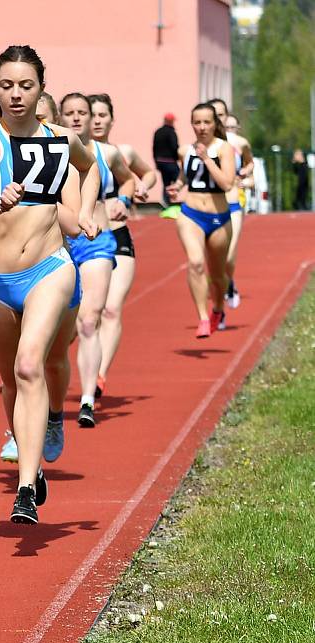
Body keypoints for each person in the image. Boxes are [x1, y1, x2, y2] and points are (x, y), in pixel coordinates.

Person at [0, 45, 99, 523]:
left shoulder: (61, 137)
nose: (16, 95)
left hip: (49, 267)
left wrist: (87, 210)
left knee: (30, 364)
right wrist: (0, 202)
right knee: (10, 382)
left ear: (42, 89)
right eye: (7, 85)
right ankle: (33, 458)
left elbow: (88, 164)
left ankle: (24, 488)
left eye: (26, 86)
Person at [58, 92, 134, 428]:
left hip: (97, 241)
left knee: (90, 319)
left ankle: (87, 398)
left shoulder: (107, 153)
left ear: (92, 118)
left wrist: (125, 198)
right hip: (58, 245)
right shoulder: (52, 151)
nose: (76, 118)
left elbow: (130, 178)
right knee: (64, 327)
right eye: (69, 113)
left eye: (82, 113)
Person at [90, 93, 156, 398]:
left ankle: (99, 375)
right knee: (85, 314)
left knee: (112, 310)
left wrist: (134, 192)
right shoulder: (74, 152)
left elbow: (148, 174)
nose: (97, 120)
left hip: (118, 235)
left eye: (103, 115)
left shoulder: (122, 153)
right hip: (85, 240)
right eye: (93, 114)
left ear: (112, 119)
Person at [166, 102, 235, 338]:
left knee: (218, 275)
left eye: (207, 122)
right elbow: (186, 177)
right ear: (191, 124)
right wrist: (176, 187)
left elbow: (227, 183)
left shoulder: (224, 149)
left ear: (215, 124)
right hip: (191, 214)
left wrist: (207, 158)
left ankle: (218, 308)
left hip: (219, 217)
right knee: (195, 263)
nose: (202, 127)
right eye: (197, 122)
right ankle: (203, 317)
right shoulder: (186, 151)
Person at [211, 100, 253, 309]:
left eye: (222, 114)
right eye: (214, 114)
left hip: (233, 203)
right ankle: (220, 300)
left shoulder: (239, 142)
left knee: (228, 257)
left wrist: (245, 175)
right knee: (211, 260)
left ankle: (228, 285)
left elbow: (250, 162)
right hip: (208, 207)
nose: (219, 119)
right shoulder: (201, 147)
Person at [153, 112, 179, 207]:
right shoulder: (171, 132)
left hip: (160, 161)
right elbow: (174, 146)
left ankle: (165, 202)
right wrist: (178, 158)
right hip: (170, 161)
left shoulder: (158, 132)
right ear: (171, 121)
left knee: (166, 182)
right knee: (180, 179)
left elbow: (154, 148)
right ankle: (172, 198)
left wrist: (156, 162)